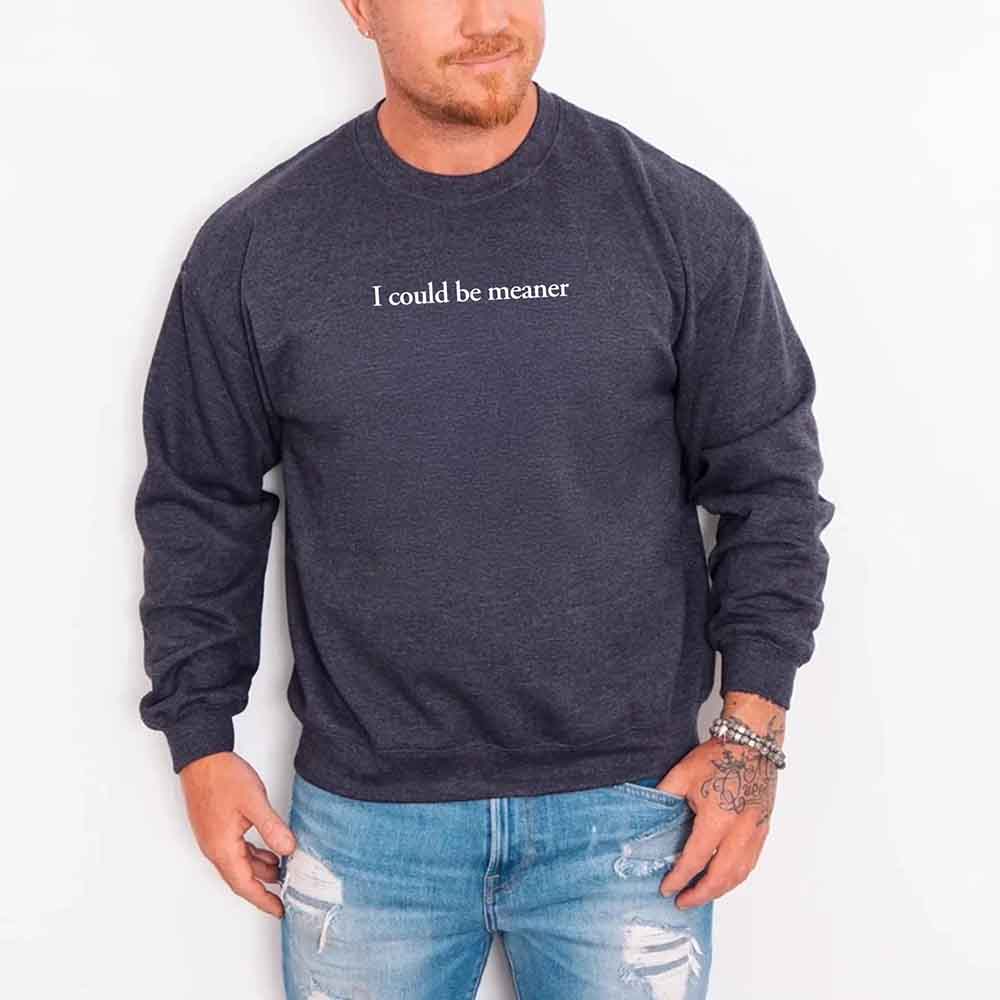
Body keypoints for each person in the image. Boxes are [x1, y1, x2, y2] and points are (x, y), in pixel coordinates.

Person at [133, 2, 835, 996]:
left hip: (630, 815)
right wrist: (199, 740)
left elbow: (771, 484)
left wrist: (751, 737)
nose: (485, 17)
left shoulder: (676, 220)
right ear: (361, 8)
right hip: (368, 827)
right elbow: (200, 499)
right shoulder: (261, 244)